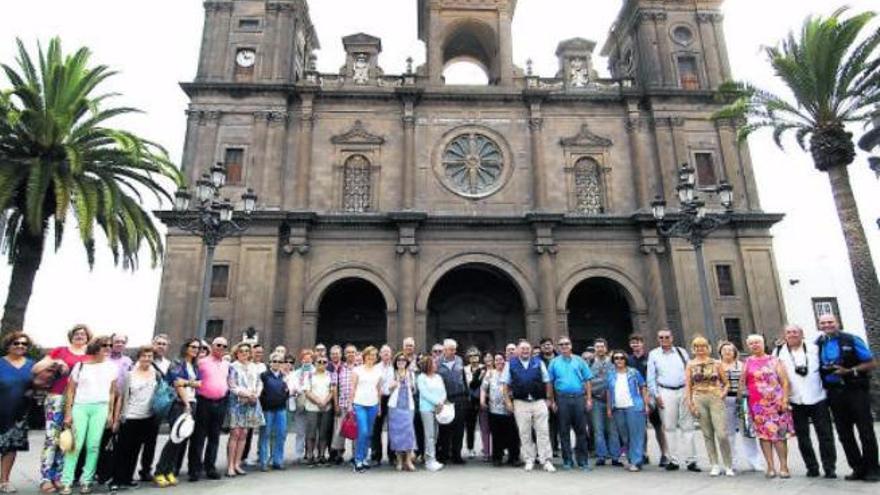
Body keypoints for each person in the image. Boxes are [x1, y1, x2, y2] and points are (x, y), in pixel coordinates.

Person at [815, 314, 878, 482]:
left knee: (865, 431)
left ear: (837, 323)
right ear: (819, 325)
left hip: (855, 390)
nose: (827, 325)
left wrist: (849, 371)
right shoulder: (819, 343)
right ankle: (857, 468)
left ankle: (873, 469)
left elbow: (871, 363)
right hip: (834, 393)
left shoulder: (851, 339)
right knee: (844, 433)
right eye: (823, 323)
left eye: (830, 322)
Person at [32, 324, 92, 494]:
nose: (80, 336)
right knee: (52, 439)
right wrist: (55, 361)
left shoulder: (90, 355)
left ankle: (58, 475)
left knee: (67, 440)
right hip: (57, 397)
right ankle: (45, 478)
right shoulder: (60, 351)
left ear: (88, 337)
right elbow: (36, 368)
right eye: (76, 333)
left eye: (83, 334)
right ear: (71, 336)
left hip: (79, 401)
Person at [773, 325, 836, 479]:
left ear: (802, 334)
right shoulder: (778, 352)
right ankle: (812, 467)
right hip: (795, 400)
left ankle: (829, 467)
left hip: (818, 397)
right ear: (784, 335)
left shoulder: (814, 348)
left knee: (825, 435)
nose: (792, 335)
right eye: (788, 332)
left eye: (795, 332)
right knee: (802, 436)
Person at [59, 336, 118, 495]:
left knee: (93, 445)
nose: (107, 348)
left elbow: (112, 392)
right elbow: (71, 390)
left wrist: (111, 413)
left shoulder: (112, 367)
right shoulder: (80, 366)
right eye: (104, 345)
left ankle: (87, 481)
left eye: (110, 345)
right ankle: (66, 481)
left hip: (101, 407)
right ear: (95, 347)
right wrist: (68, 413)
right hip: (80, 407)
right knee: (75, 445)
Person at [742, 334, 794, 479]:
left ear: (763, 343)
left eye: (757, 342)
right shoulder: (747, 362)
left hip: (775, 403)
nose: (755, 345)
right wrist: (744, 406)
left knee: (779, 436)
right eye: (751, 343)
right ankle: (770, 466)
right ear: (748, 346)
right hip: (757, 405)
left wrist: (785, 400)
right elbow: (743, 384)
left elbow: (785, 382)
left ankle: (784, 466)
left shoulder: (774, 360)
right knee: (764, 436)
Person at [647, 329, 699, 472]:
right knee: (669, 427)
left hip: (683, 390)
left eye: (667, 337)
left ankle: (691, 460)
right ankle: (673, 460)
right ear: (658, 339)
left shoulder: (681, 352)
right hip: (665, 391)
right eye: (661, 337)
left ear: (672, 337)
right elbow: (650, 377)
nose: (664, 339)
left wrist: (691, 393)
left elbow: (690, 372)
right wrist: (656, 395)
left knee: (688, 426)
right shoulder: (654, 354)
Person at [501, 340, 556, 473]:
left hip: (538, 401)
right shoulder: (510, 364)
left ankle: (546, 460)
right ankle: (529, 459)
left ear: (531, 350)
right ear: (518, 351)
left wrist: (549, 399)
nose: (525, 351)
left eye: (527, 349)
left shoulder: (538, 362)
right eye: (522, 349)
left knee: (543, 432)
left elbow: (547, 381)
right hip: (520, 403)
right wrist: (508, 402)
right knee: (524, 433)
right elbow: (505, 384)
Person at [154, 338, 201, 488]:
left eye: (197, 348)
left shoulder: (194, 365)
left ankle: (169, 471)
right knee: (174, 439)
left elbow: (199, 383)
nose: (195, 349)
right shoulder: (177, 363)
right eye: (192, 346)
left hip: (192, 403)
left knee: (182, 439)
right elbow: (176, 384)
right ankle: (159, 472)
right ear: (185, 347)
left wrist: (187, 382)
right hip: (180, 404)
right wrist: (186, 402)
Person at [110, 346, 159, 491]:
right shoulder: (129, 375)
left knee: (136, 450)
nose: (147, 359)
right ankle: (116, 479)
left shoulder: (155, 373)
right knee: (123, 449)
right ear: (139, 357)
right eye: (144, 356)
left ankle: (127, 478)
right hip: (130, 416)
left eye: (150, 356)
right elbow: (121, 397)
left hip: (147, 416)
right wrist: (117, 418)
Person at [684, 337, 733, 477]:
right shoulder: (690, 364)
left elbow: (726, 382)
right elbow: (688, 386)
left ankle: (728, 464)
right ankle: (714, 464)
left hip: (715, 397)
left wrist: (723, 393)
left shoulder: (716, 363)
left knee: (721, 433)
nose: (700, 349)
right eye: (697, 346)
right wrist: (690, 403)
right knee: (707, 433)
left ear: (708, 347)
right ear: (693, 349)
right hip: (699, 398)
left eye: (703, 346)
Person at [188, 337, 230, 482]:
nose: (221, 348)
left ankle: (210, 467)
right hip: (204, 402)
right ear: (212, 346)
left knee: (214, 437)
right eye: (218, 345)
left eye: (224, 346)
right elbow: (192, 380)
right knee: (199, 437)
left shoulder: (226, 364)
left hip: (220, 402)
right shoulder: (201, 362)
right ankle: (194, 469)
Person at [547, 336, 592, 471]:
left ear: (571, 345)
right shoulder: (554, 363)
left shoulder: (580, 361)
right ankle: (567, 460)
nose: (564, 346)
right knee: (564, 431)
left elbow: (587, 380)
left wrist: (589, 399)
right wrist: (552, 400)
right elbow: (550, 383)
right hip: (562, 398)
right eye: (561, 345)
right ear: (558, 347)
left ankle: (583, 460)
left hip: (579, 397)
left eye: (566, 344)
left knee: (581, 431)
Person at [717, 341, 763, 473]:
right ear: (720, 352)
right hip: (724, 402)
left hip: (742, 401)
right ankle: (731, 462)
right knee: (728, 433)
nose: (727, 352)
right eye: (724, 350)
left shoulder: (742, 365)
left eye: (730, 350)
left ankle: (755, 462)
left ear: (735, 352)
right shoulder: (716, 366)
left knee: (747, 432)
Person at [0, 332, 35, 494]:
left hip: (19, 413)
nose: (20, 346)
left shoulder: (32, 365)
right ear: (8, 345)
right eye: (16, 343)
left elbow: (42, 382)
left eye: (24, 344)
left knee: (11, 448)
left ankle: (4, 481)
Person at [627, 334, 669, 465]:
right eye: (633, 343)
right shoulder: (628, 360)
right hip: (636, 396)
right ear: (630, 345)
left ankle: (664, 454)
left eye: (638, 342)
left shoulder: (651, 357)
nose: (635, 345)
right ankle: (644, 453)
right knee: (641, 427)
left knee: (658, 426)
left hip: (651, 394)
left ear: (642, 344)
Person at [606, 350, 649, 472]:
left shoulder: (633, 372)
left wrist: (645, 404)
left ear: (626, 360)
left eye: (621, 358)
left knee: (636, 434)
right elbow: (608, 392)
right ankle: (631, 459)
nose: (619, 360)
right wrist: (609, 408)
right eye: (616, 358)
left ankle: (636, 460)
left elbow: (643, 387)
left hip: (634, 406)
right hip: (618, 408)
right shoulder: (610, 374)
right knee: (625, 436)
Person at [226, 342, 264, 477]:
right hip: (237, 403)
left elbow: (259, 383)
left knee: (244, 434)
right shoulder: (232, 367)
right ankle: (230, 465)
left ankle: (237, 464)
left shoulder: (254, 367)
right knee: (235, 433)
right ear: (237, 353)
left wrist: (256, 394)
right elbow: (232, 385)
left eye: (247, 351)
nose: (244, 353)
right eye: (241, 351)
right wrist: (247, 394)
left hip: (251, 403)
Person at [481, 353, 520, 467]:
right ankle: (497, 458)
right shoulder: (490, 373)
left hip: (509, 409)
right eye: (496, 360)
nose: (499, 362)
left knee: (512, 435)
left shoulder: (510, 372)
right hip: (494, 410)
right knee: (497, 435)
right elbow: (483, 388)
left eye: (501, 359)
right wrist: (482, 401)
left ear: (505, 360)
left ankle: (514, 458)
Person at [350, 346, 383, 473]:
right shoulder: (357, 370)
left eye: (374, 355)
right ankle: (358, 460)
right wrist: (350, 405)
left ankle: (364, 458)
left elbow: (378, 390)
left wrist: (379, 406)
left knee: (369, 433)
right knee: (362, 431)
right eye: (369, 354)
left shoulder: (378, 371)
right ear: (365, 356)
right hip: (359, 404)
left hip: (373, 405)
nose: (371, 357)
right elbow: (353, 388)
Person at [435, 339, 468, 465]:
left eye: (455, 349)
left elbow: (464, 378)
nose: (454, 351)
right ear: (444, 350)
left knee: (459, 429)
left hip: (460, 398)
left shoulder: (459, 360)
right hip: (445, 399)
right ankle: (443, 455)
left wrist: (467, 395)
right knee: (445, 428)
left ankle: (457, 455)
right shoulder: (437, 362)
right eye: (451, 349)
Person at [589, 339, 620, 467]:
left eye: (602, 346)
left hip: (611, 400)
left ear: (606, 348)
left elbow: (614, 380)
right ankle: (601, 455)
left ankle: (615, 457)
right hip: (596, 400)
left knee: (613, 430)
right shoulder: (589, 363)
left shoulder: (613, 362)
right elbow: (588, 381)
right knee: (598, 429)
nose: (600, 349)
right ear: (594, 349)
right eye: (597, 347)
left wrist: (600, 384)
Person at [258, 353, 289, 471]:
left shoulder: (284, 376)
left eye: (279, 362)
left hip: (281, 409)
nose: (277, 363)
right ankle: (264, 461)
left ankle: (278, 461)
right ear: (270, 362)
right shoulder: (264, 376)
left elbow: (288, 390)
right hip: (267, 410)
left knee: (281, 435)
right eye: (274, 361)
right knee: (265, 435)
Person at [303, 353, 335, 466]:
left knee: (323, 433)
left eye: (324, 362)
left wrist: (325, 402)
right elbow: (307, 391)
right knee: (311, 433)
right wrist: (318, 401)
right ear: (314, 363)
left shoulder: (331, 375)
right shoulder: (309, 375)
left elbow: (332, 391)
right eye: (319, 362)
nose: (322, 364)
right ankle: (310, 455)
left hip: (326, 408)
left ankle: (321, 455)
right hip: (312, 408)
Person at [386, 352, 417, 471]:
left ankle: (408, 460)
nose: (401, 362)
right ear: (396, 363)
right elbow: (387, 389)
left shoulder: (411, 374)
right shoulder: (392, 373)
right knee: (396, 433)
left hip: (408, 406)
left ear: (406, 362)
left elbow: (414, 390)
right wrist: (395, 383)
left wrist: (410, 384)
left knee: (409, 432)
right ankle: (399, 460)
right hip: (395, 406)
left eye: (403, 360)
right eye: (399, 360)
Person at [416, 355, 446, 472]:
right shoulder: (421, 377)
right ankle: (430, 461)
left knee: (436, 434)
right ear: (428, 365)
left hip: (438, 408)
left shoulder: (438, 377)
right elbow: (424, 393)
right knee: (429, 435)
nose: (436, 365)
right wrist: (437, 402)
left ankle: (429, 456)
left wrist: (441, 402)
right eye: (433, 363)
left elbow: (443, 391)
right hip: (426, 409)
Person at [330, 345, 357, 465]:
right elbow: (334, 387)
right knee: (339, 430)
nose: (350, 354)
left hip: (357, 404)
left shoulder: (360, 368)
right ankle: (338, 453)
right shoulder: (339, 368)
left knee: (355, 430)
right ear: (344, 355)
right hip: (342, 403)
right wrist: (336, 405)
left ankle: (355, 454)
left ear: (356, 354)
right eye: (348, 352)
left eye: (353, 352)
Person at [287, 349, 314, 464]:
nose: (306, 361)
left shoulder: (316, 371)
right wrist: (295, 391)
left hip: (312, 404)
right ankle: (299, 453)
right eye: (304, 359)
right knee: (300, 431)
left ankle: (311, 453)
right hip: (299, 404)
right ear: (301, 359)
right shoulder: (296, 373)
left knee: (312, 431)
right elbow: (291, 386)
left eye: (309, 359)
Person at [370, 344, 394, 466]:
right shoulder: (375, 368)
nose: (386, 354)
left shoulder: (394, 368)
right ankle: (376, 455)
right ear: (380, 354)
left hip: (392, 399)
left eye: (388, 352)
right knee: (376, 428)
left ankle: (392, 455)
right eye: (384, 352)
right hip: (378, 398)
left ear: (391, 354)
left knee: (392, 427)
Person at [538, 337, 560, 457]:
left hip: (560, 394)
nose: (547, 347)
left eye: (549, 345)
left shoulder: (560, 359)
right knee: (547, 423)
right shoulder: (537, 361)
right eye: (544, 345)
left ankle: (559, 446)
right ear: (541, 348)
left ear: (553, 346)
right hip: (544, 396)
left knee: (560, 423)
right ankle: (550, 447)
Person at [463, 347, 486, 460]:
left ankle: (486, 447)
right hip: (470, 400)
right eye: (471, 356)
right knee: (470, 426)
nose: (473, 358)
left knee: (485, 426)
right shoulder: (465, 369)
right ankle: (470, 448)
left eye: (475, 355)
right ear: (468, 358)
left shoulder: (484, 368)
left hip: (482, 399)